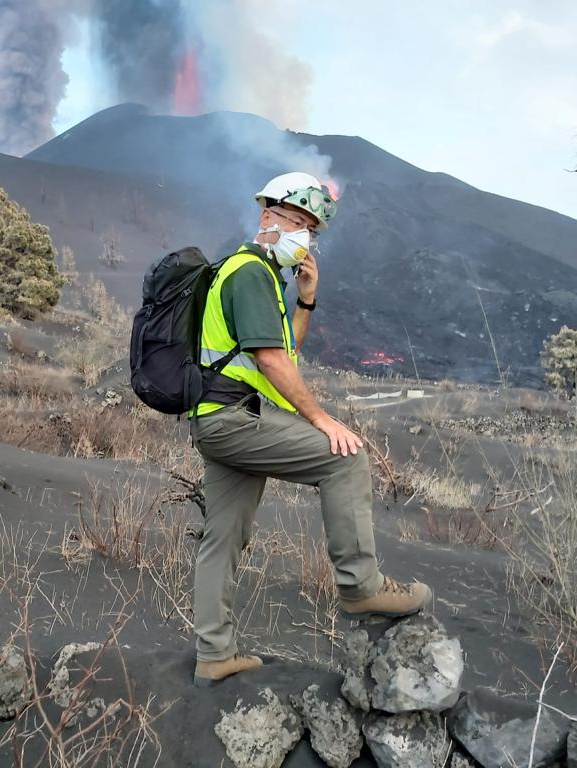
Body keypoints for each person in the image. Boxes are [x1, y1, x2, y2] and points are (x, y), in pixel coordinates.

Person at [190, 172, 432, 688]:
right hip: (238, 416)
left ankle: (214, 655)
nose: (304, 236)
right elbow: (273, 362)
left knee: (223, 537)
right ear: (267, 218)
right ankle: (361, 585)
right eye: (297, 223)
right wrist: (322, 420)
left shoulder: (255, 276)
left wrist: (306, 300)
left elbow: (283, 352)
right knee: (344, 457)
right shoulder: (249, 272)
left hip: (217, 417)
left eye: (311, 230)